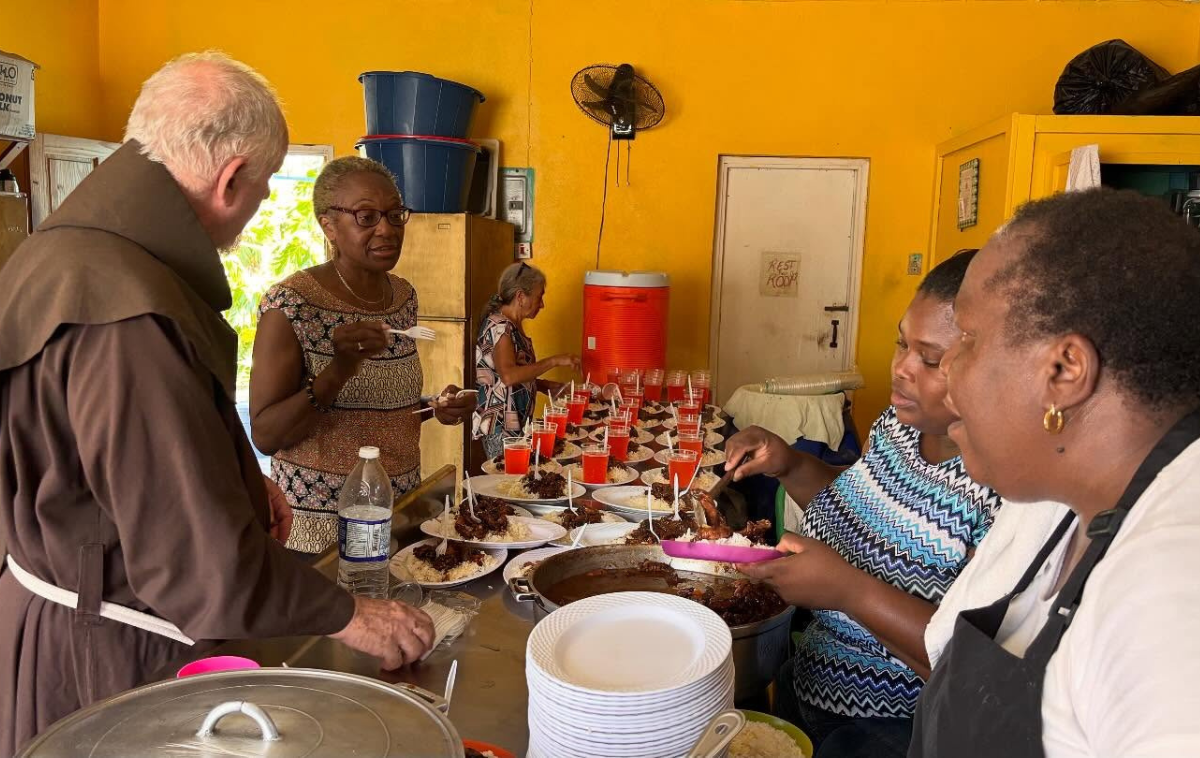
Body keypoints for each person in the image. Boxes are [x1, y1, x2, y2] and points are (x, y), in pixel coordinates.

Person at [0, 52, 433, 753]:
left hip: (63, 610)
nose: (258, 206)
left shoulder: (61, 254)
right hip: (105, 650)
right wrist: (349, 614)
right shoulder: (128, 311)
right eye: (263, 190)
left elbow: (98, 455)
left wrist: (231, 473)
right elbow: (193, 562)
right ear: (232, 178)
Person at [912, 188, 1200, 758]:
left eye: (967, 338)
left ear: (1065, 370)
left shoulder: (1171, 586)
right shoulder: (1059, 498)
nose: (944, 367)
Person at [726, 250, 1001, 758]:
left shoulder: (1002, 487)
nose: (900, 369)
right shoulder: (897, 428)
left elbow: (975, 669)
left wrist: (849, 592)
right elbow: (855, 505)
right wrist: (786, 462)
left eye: (931, 359)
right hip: (806, 684)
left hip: (888, 732)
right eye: (901, 343)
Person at [250, 156, 474, 554]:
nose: (386, 229)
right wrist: (339, 370)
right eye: (366, 216)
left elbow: (377, 407)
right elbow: (266, 435)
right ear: (329, 225)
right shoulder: (292, 305)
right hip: (321, 532)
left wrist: (432, 407)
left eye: (394, 214)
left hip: (401, 514)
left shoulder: (403, 297)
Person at [473, 262, 580, 459]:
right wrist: (555, 361)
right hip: (501, 426)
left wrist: (545, 386)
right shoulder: (499, 327)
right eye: (539, 297)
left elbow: (505, 378)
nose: (542, 304)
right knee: (507, 484)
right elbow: (508, 376)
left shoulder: (512, 326)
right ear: (521, 296)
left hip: (516, 423)